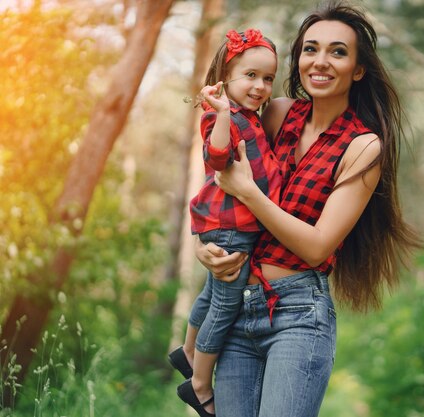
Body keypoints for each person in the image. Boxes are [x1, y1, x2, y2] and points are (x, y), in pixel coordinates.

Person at [194, 1, 423, 416]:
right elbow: (223, 176)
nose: (320, 61)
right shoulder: (278, 113)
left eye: (338, 51)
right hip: (239, 303)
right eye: (310, 49)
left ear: (358, 68)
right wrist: (202, 246)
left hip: (299, 316)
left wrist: (251, 194)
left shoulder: (363, 147)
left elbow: (317, 247)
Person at [168, 28, 281, 417]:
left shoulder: (246, 116)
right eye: (250, 76)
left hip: (227, 223)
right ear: (226, 75)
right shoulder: (224, 117)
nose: (261, 86)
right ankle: (199, 384)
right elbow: (217, 159)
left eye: (268, 78)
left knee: (210, 295)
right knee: (226, 306)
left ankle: (187, 350)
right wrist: (219, 113)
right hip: (232, 226)